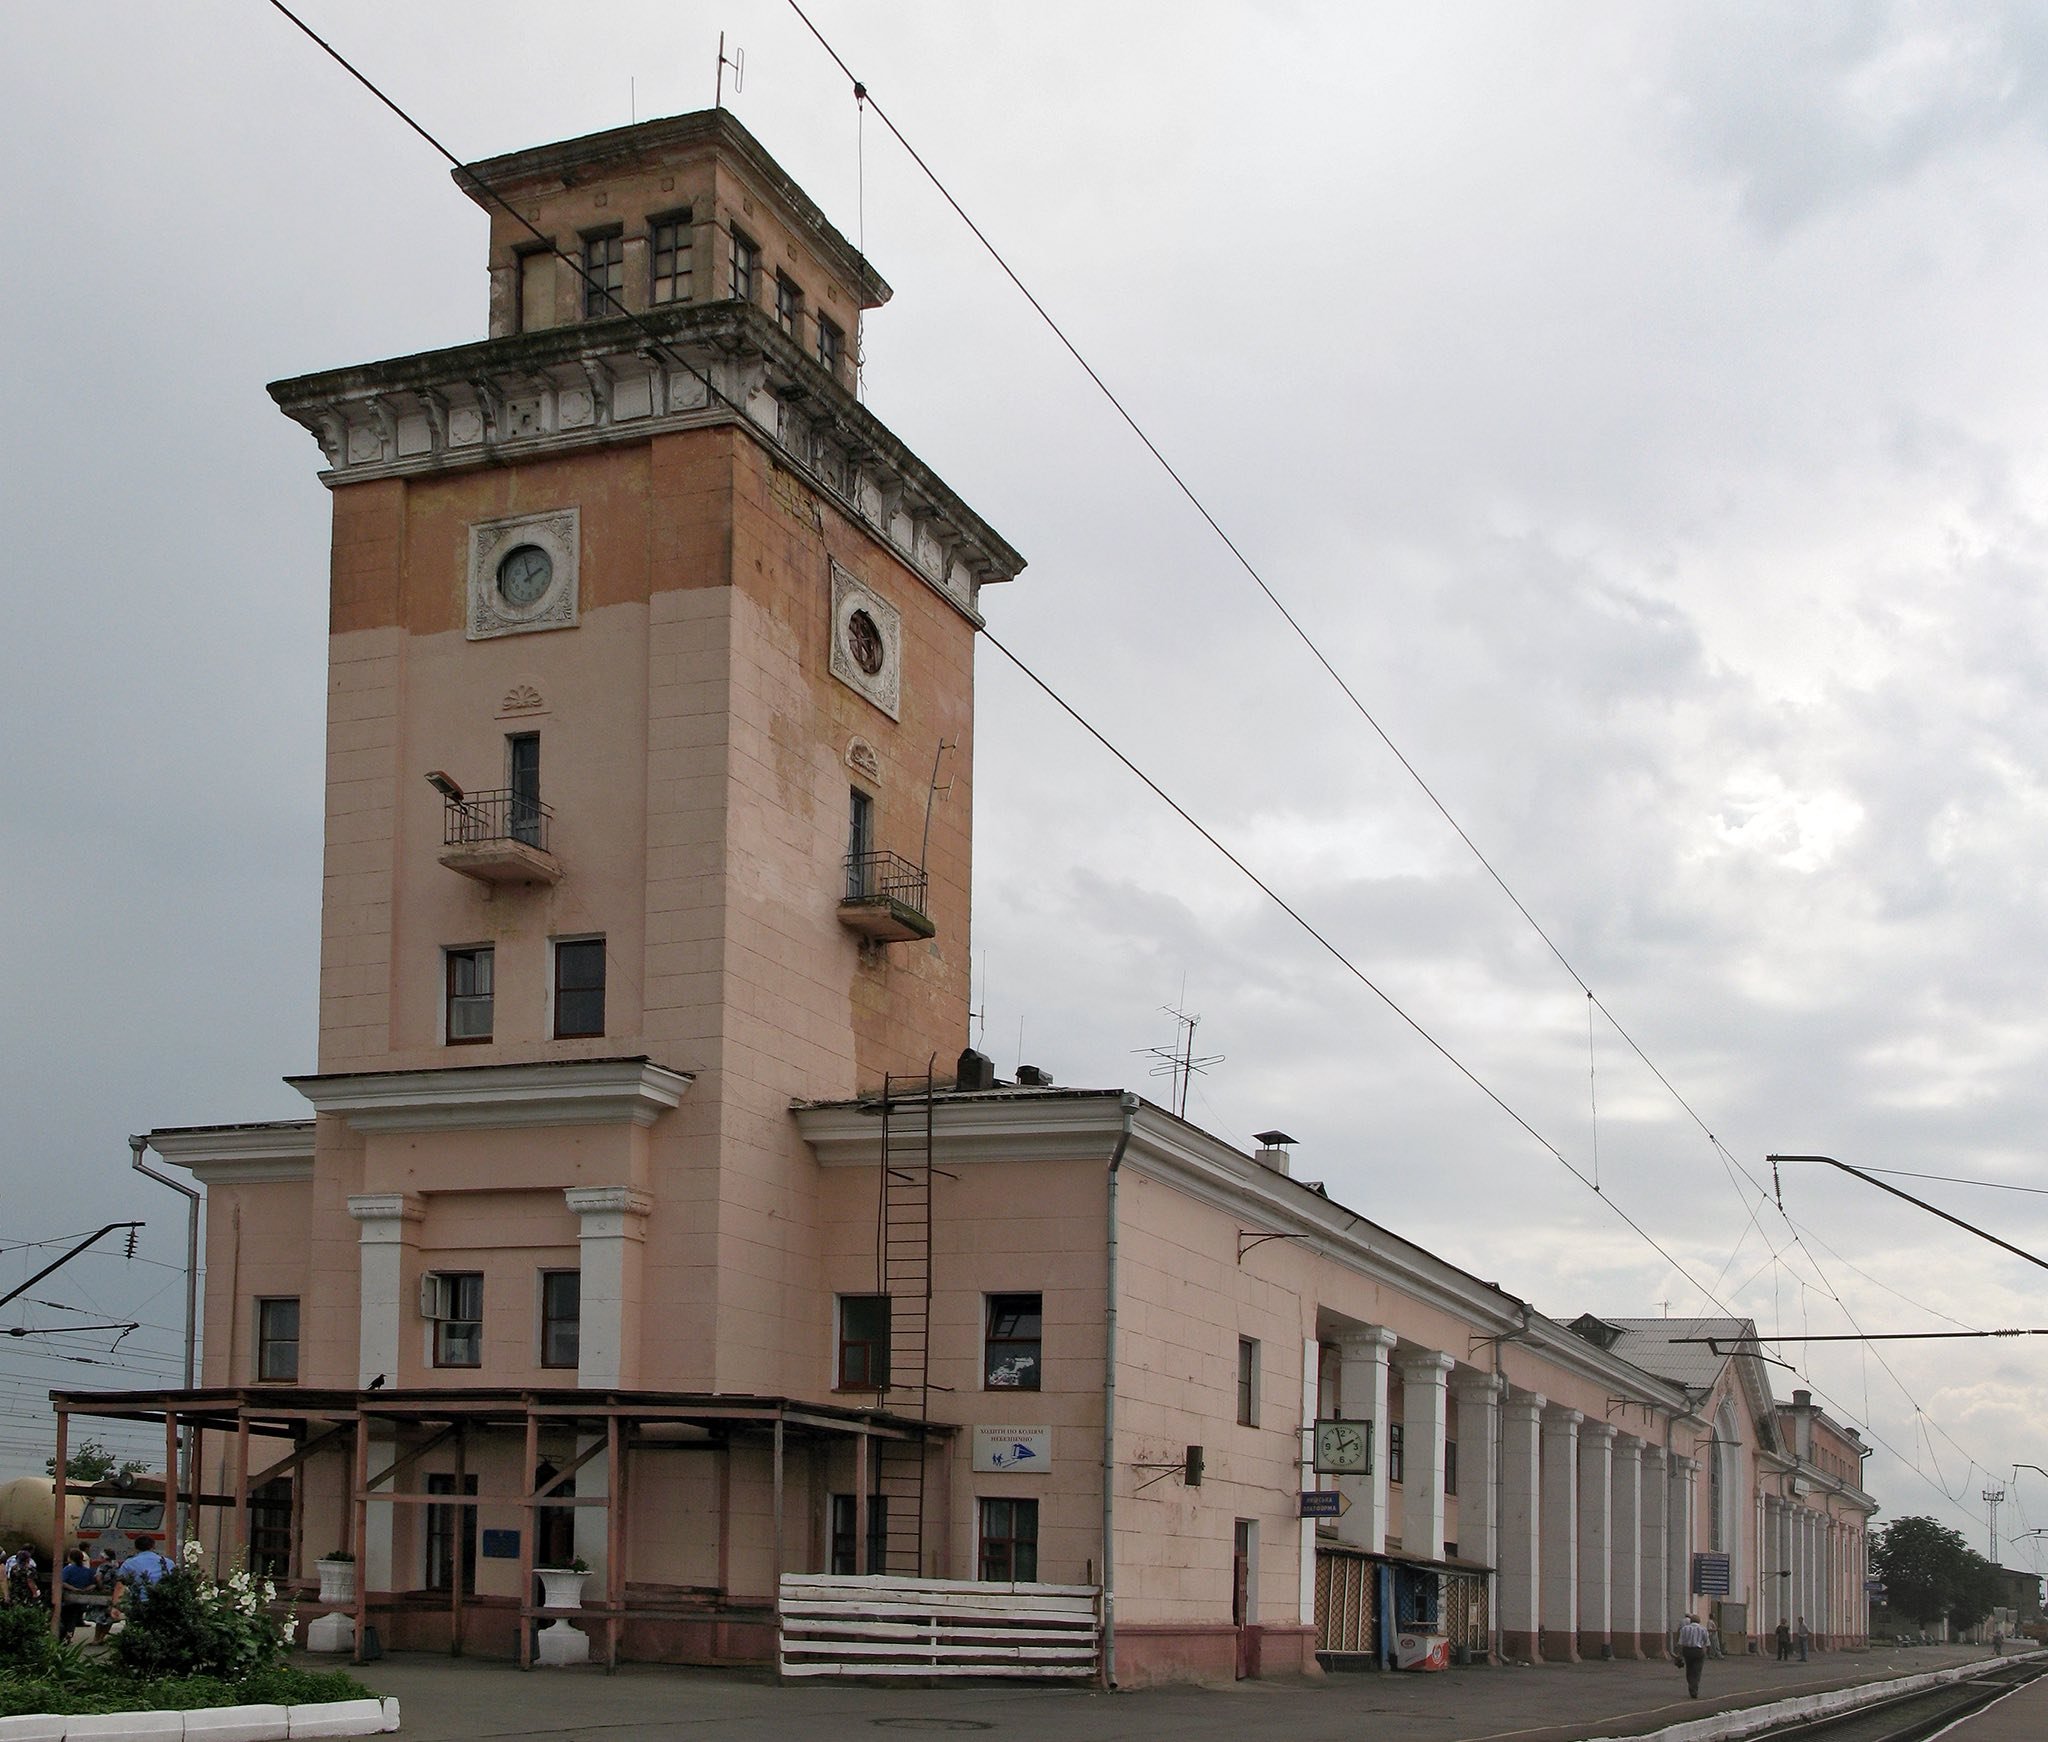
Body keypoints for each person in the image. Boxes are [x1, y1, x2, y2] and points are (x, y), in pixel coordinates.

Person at [58, 1549, 97, 1640]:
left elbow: (62, 1582)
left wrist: (74, 1589)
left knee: (64, 1618)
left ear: (70, 1558)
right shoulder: (87, 1571)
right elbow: (93, 1584)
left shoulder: (68, 1569)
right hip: (81, 1599)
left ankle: (62, 1637)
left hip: (67, 1598)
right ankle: (69, 1636)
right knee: (73, 1618)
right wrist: (84, 1590)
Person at [1678, 1612, 1711, 1699]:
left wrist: (1680, 1654)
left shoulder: (1684, 1629)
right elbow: (1707, 1643)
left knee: (1689, 1669)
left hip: (1687, 1651)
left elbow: (1681, 1643)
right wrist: (1706, 1652)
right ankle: (1694, 1689)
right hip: (1698, 1651)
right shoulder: (1703, 1629)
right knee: (1697, 1671)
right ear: (1699, 1621)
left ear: (1690, 1621)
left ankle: (1691, 1685)